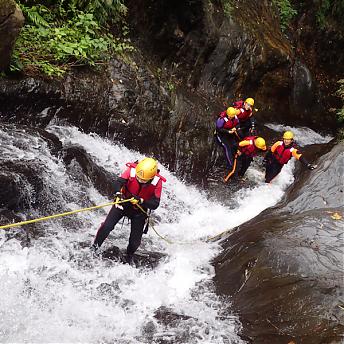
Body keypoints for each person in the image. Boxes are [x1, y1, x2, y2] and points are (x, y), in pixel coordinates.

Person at [91, 157, 166, 264]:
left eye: (143, 180)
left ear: (151, 177)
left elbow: (155, 204)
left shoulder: (157, 181)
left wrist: (141, 200)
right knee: (107, 226)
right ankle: (94, 248)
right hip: (123, 203)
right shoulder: (132, 170)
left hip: (139, 211)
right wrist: (118, 193)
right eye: (138, 177)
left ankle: (129, 255)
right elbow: (118, 182)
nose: (140, 180)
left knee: (135, 242)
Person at [215, 106, 244, 181]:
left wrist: (236, 128)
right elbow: (218, 129)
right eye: (230, 116)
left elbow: (237, 124)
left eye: (232, 116)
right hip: (222, 135)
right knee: (227, 147)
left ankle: (236, 160)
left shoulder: (235, 117)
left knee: (234, 146)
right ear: (227, 114)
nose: (231, 117)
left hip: (230, 135)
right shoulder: (222, 119)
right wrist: (228, 131)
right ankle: (230, 164)